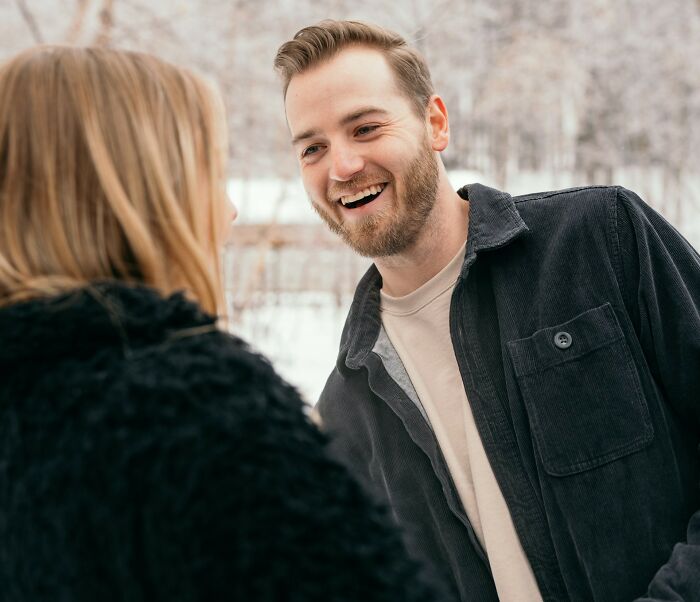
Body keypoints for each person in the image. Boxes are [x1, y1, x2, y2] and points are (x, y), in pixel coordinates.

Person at [274, 20, 700, 602]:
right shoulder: (346, 413)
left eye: (366, 128)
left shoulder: (600, 238)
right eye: (313, 148)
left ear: (435, 123)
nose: (342, 166)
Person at [0, 46, 442, 602]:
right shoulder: (192, 413)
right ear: (138, 199)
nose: (228, 212)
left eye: (367, 128)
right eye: (206, 174)